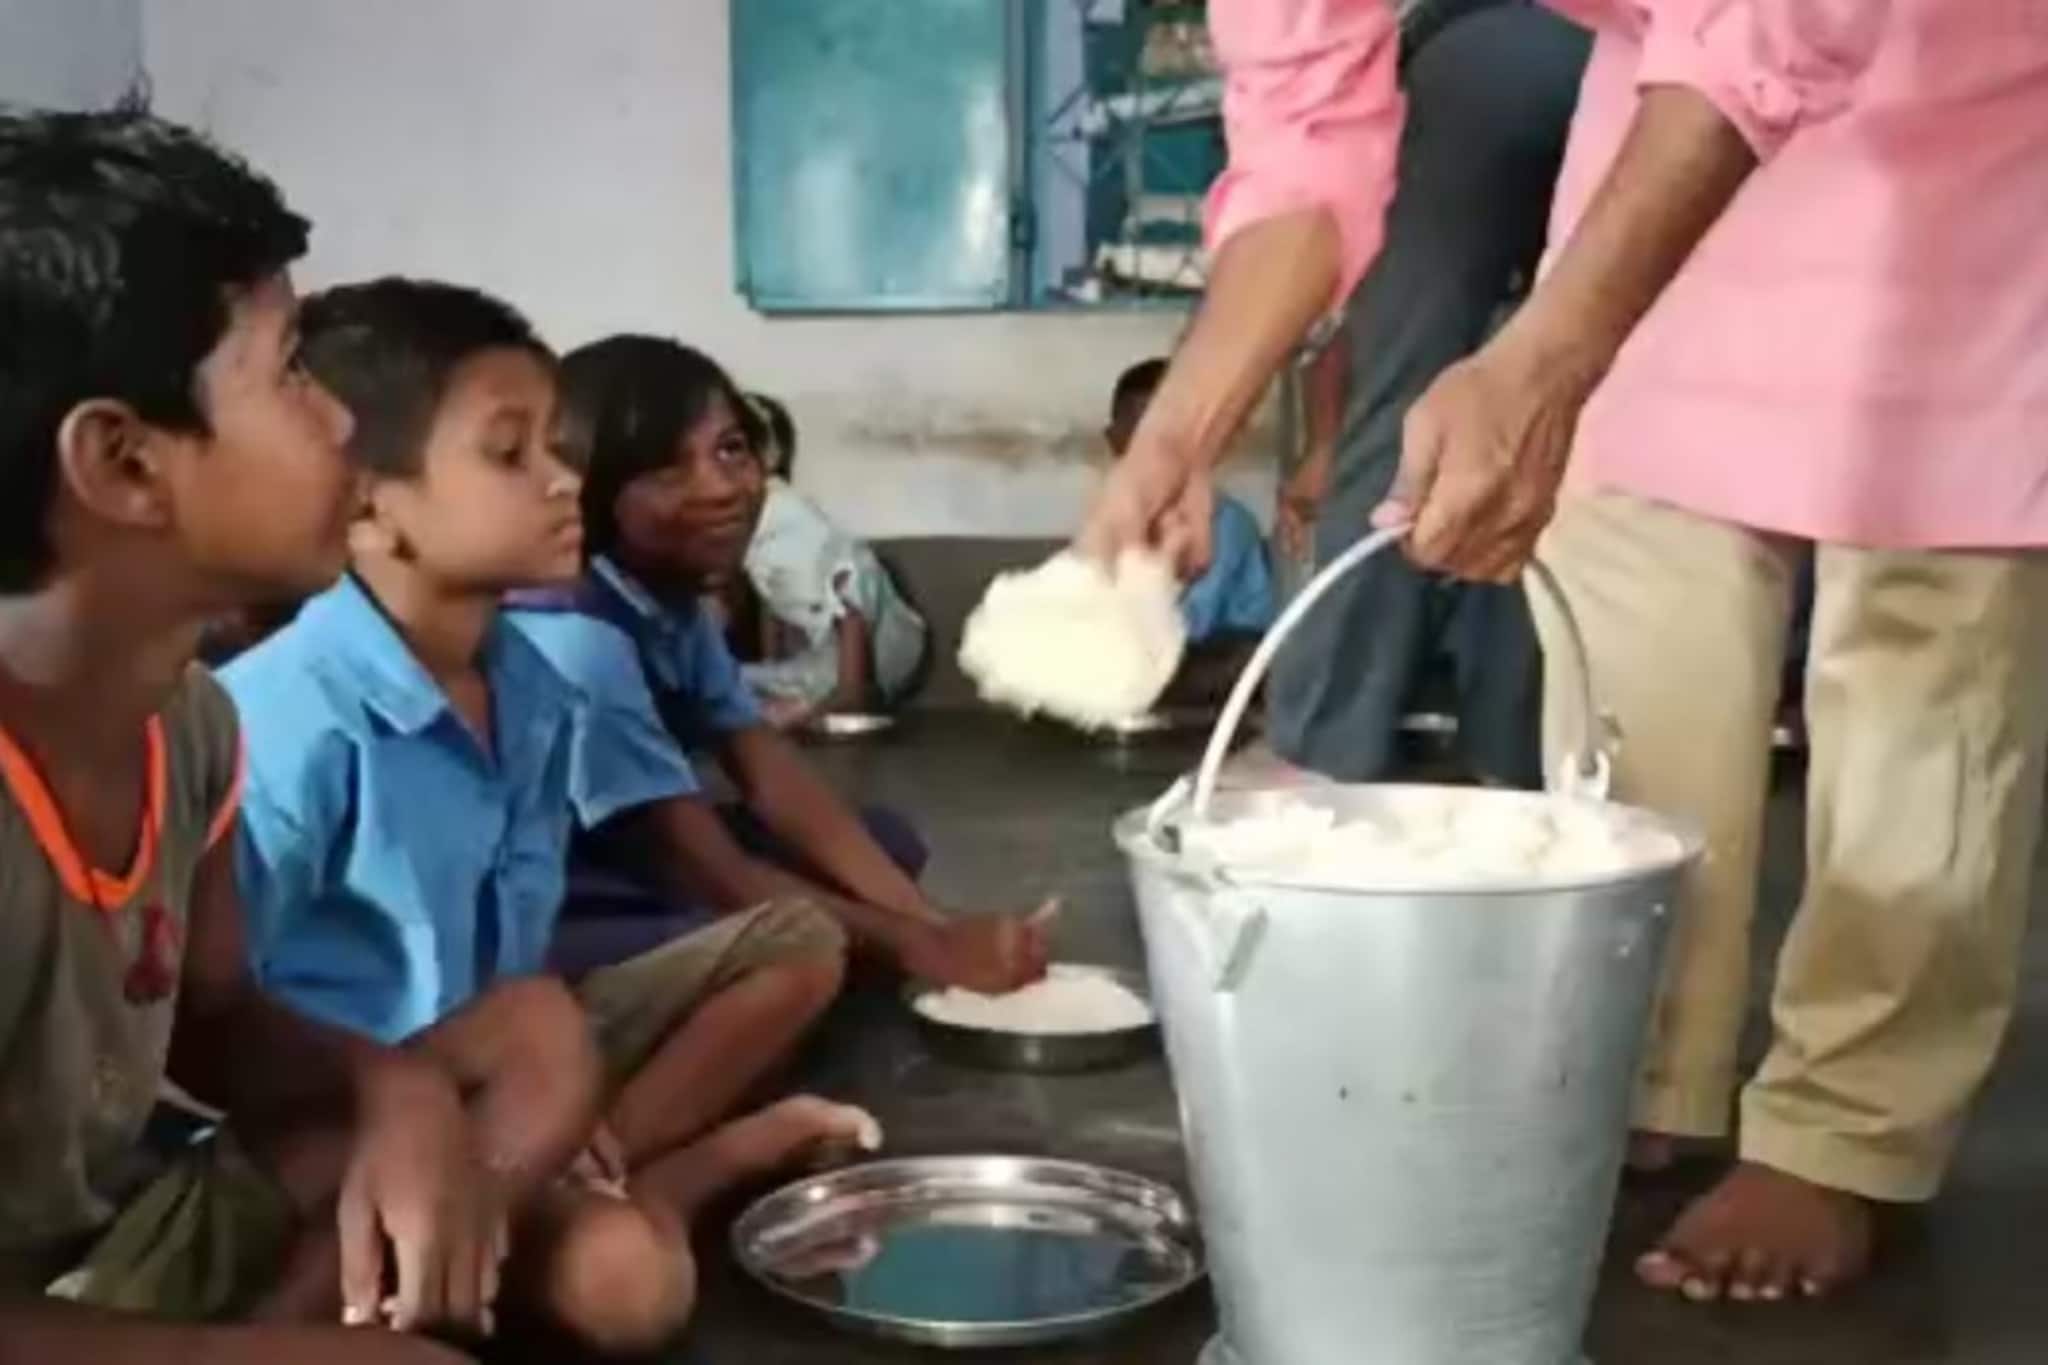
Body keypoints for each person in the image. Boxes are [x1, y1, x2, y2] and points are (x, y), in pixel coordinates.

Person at [1081, 0, 2038, 1311]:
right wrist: (1184, 433)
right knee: (1632, 606)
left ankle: (1845, 1131)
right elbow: (1305, 126)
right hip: (1663, 146)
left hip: (1978, 133)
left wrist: (1543, 356)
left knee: (1927, 643)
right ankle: (1640, 1063)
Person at [222, 279, 869, 1354]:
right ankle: (680, 1170)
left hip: (510, 1075)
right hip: (328, 1112)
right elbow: (214, 1025)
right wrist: (421, 1104)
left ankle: (549, 1176)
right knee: (628, 1286)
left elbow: (520, 954)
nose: (567, 480)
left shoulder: (534, 683)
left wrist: (526, 1120)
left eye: (554, 448)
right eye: (510, 453)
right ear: (371, 507)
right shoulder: (291, 716)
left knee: (787, 943)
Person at [0, 109, 500, 1363]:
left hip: (102, 1245)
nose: (338, 424)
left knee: (438, 1122)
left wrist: (398, 1084)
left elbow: (218, 1015)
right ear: (122, 464)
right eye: (287, 371)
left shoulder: (190, 721)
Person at [509, 336, 1051, 991]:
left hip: (643, 861)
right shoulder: (578, 640)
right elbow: (701, 866)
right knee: (788, 949)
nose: (722, 488)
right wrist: (921, 947)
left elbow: (774, 779)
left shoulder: (673, 599)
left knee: (884, 842)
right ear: (593, 492)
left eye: (731, 449)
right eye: (666, 468)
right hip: (556, 897)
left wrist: (933, 922)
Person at [1263, 0, 1588, 788]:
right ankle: (1523, 760)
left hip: (1477, 58)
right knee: (1568, 419)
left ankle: (1320, 756)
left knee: (1403, 408)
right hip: (1651, 74)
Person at [722, 392, 929, 728]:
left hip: (880, 653)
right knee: (725, 685)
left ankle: (848, 699)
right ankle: (817, 701)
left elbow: (847, 584)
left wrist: (846, 690)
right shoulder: (750, 529)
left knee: (849, 571)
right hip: (824, 662)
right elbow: (772, 602)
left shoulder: (789, 517)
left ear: (770, 457)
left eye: (734, 449)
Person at [1108, 359, 1275, 702]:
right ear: (1114, 441)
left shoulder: (1225, 522)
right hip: (1146, 643)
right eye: (1137, 440)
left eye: (1166, 444)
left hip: (1208, 645)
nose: (1153, 459)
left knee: (1242, 661)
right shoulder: (1112, 517)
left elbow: (1193, 621)